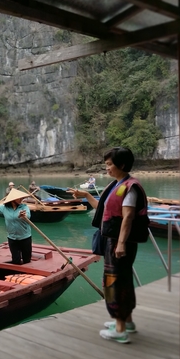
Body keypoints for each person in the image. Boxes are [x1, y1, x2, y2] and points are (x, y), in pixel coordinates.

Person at [70, 147, 148, 344]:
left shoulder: (130, 187)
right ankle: (126, 321)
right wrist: (86, 196)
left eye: (109, 164)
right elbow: (104, 210)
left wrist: (121, 243)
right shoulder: (117, 185)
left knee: (114, 281)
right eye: (106, 165)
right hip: (113, 240)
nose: (107, 168)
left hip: (120, 242)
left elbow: (128, 217)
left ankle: (119, 328)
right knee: (123, 278)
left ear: (121, 165)